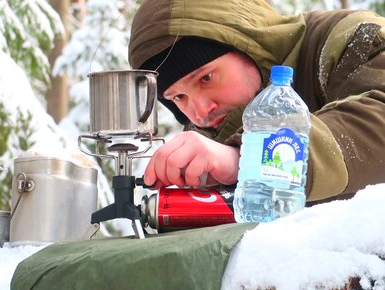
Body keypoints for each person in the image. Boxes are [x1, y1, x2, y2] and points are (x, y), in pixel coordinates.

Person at [128, 0, 385, 204]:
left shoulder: (351, 39)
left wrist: (248, 158)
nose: (200, 112)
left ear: (247, 44)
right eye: (178, 97)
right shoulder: (214, 133)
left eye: (206, 78)